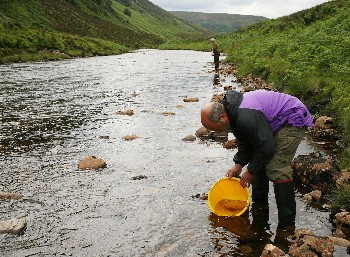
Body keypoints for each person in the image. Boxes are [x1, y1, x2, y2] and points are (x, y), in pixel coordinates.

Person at [201, 89, 314, 229]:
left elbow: (267, 148)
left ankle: (287, 224)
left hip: (291, 118)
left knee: (276, 168)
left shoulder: (245, 116)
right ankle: (260, 207)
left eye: (217, 128)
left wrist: (250, 171)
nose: (219, 132)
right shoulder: (233, 113)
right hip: (275, 120)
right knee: (256, 161)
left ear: (222, 116)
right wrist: (239, 164)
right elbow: (245, 142)